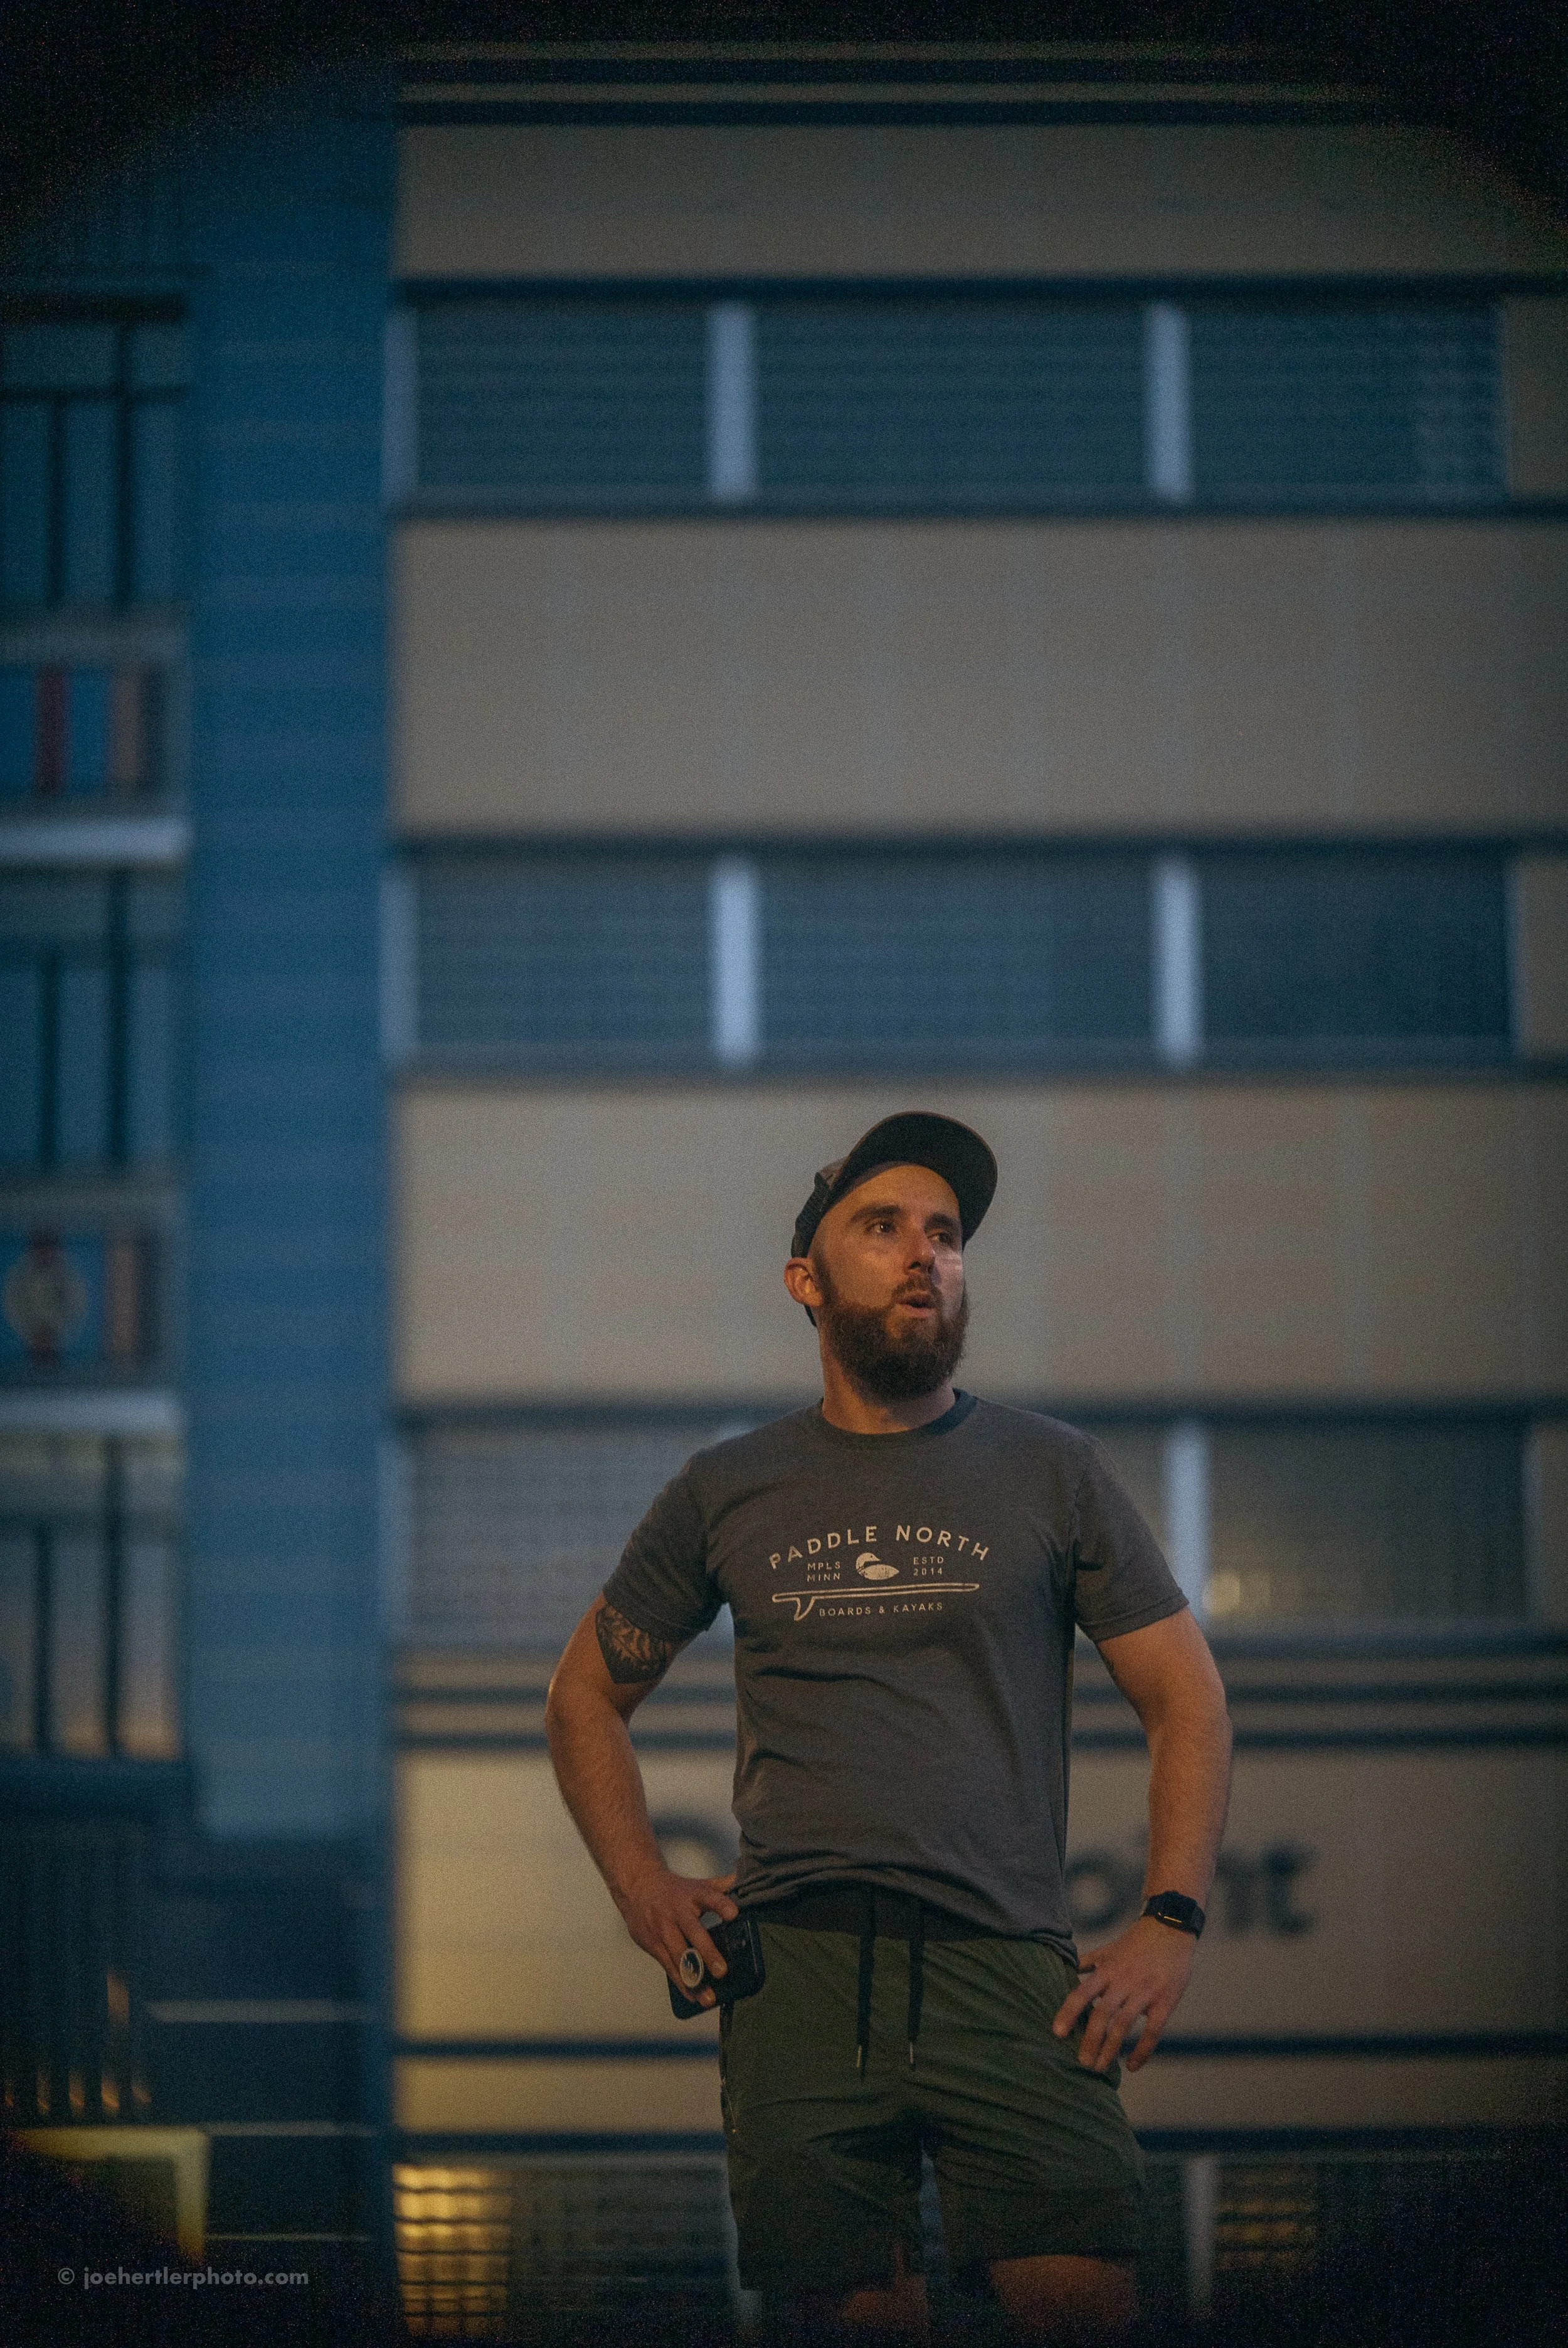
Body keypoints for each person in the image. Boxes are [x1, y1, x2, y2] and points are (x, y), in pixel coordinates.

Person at [546, 1112, 1232, 2342]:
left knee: (1081, 2300)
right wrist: (639, 1882)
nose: (925, 1252)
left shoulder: (1049, 1469)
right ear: (806, 1278)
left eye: (945, 1233)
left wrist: (1169, 1919)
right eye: (882, 1226)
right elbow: (583, 1694)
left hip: (1007, 1964)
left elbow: (1185, 1696)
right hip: (796, 1978)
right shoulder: (728, 1485)